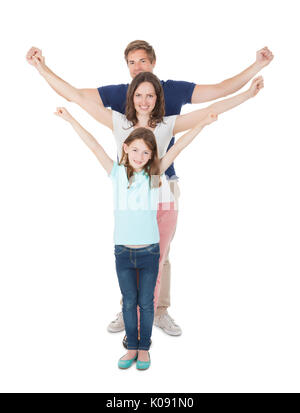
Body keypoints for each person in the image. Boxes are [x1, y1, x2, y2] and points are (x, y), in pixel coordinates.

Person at [26, 40, 273, 339]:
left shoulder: (168, 120)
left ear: (155, 74)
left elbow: (216, 100)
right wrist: (41, 68)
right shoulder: (118, 118)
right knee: (131, 252)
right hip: (131, 196)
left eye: (143, 63)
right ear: (131, 91)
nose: (144, 96)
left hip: (163, 191)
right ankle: (129, 308)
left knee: (160, 255)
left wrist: (248, 93)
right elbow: (77, 96)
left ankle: (159, 311)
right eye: (132, 63)